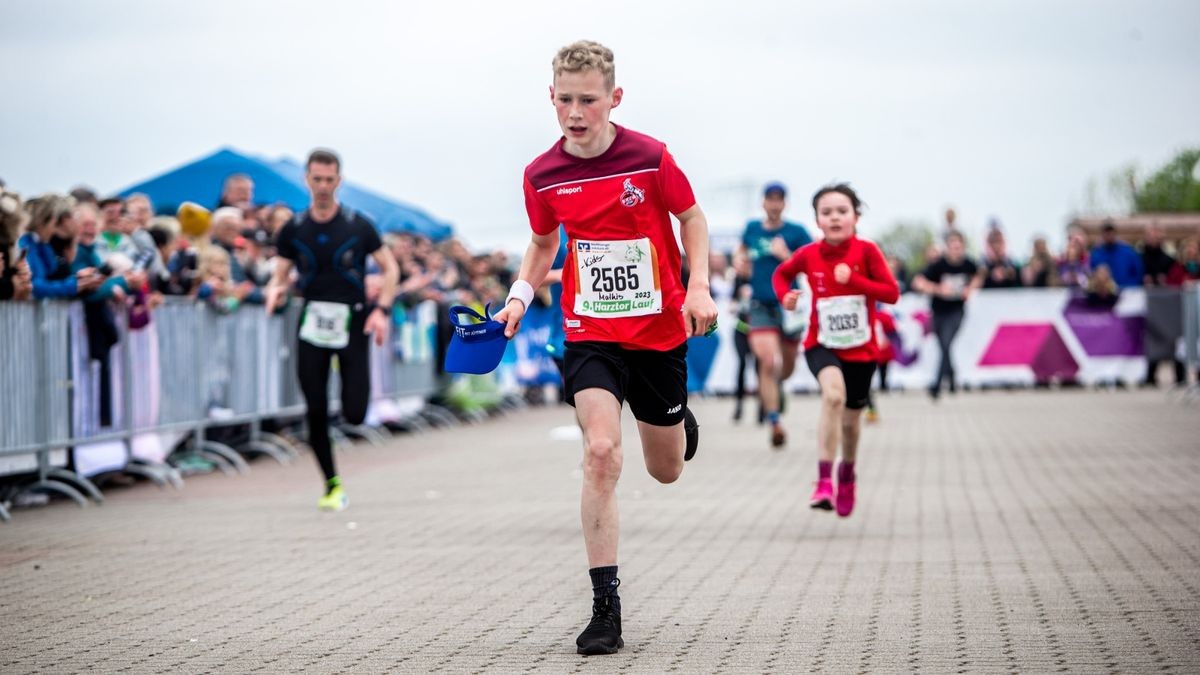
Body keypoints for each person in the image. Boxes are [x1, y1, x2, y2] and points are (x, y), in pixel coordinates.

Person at [493, 40, 717, 656]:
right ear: (551, 97)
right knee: (599, 452)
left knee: (664, 470)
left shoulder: (649, 157)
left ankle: (673, 417)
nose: (574, 112)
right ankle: (605, 608)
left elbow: (692, 219)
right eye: (564, 99)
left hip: (659, 333)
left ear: (613, 98)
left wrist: (697, 287)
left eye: (587, 100)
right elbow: (543, 245)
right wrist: (517, 297)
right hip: (591, 331)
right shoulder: (542, 173)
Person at [263, 149, 399, 512]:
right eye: (316, 179)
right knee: (316, 406)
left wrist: (381, 311)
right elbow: (280, 273)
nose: (322, 186)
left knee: (355, 412)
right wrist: (275, 289)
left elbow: (391, 269)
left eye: (329, 180)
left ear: (338, 181)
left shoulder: (358, 225)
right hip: (312, 322)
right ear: (307, 180)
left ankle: (349, 415)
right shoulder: (293, 228)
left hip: (353, 319)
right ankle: (331, 483)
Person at [772, 184, 899, 516]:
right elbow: (781, 274)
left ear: (855, 216)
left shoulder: (867, 251)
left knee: (851, 423)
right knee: (833, 397)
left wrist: (855, 281)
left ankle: (847, 474)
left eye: (842, 211)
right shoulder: (809, 254)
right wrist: (785, 295)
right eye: (826, 212)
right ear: (817, 220)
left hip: (862, 350)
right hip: (821, 344)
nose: (835, 217)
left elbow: (891, 293)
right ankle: (824, 480)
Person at [739, 182, 812, 447]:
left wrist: (786, 256)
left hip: (789, 305)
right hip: (760, 305)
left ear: (785, 203)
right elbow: (742, 252)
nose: (774, 204)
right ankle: (774, 421)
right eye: (770, 199)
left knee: (787, 367)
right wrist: (740, 262)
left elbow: (810, 264)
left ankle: (777, 388)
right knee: (768, 362)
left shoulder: (797, 232)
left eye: (779, 199)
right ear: (763, 203)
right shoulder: (752, 229)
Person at [913, 230, 982, 399]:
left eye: (959, 246)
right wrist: (937, 289)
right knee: (944, 346)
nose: (956, 250)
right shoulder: (939, 265)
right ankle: (951, 376)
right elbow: (918, 282)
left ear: (963, 247)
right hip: (938, 311)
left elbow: (979, 275)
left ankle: (936, 385)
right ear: (947, 247)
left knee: (946, 343)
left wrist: (970, 288)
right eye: (953, 246)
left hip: (956, 311)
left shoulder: (968, 264)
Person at [1089, 221, 1142, 288]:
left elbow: (1138, 272)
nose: (1109, 235)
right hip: (1105, 294)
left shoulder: (1128, 252)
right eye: (1106, 232)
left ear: (1115, 233)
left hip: (1127, 292)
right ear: (1102, 235)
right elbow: (1091, 275)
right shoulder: (1096, 254)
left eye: (1111, 232)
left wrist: (1130, 286)